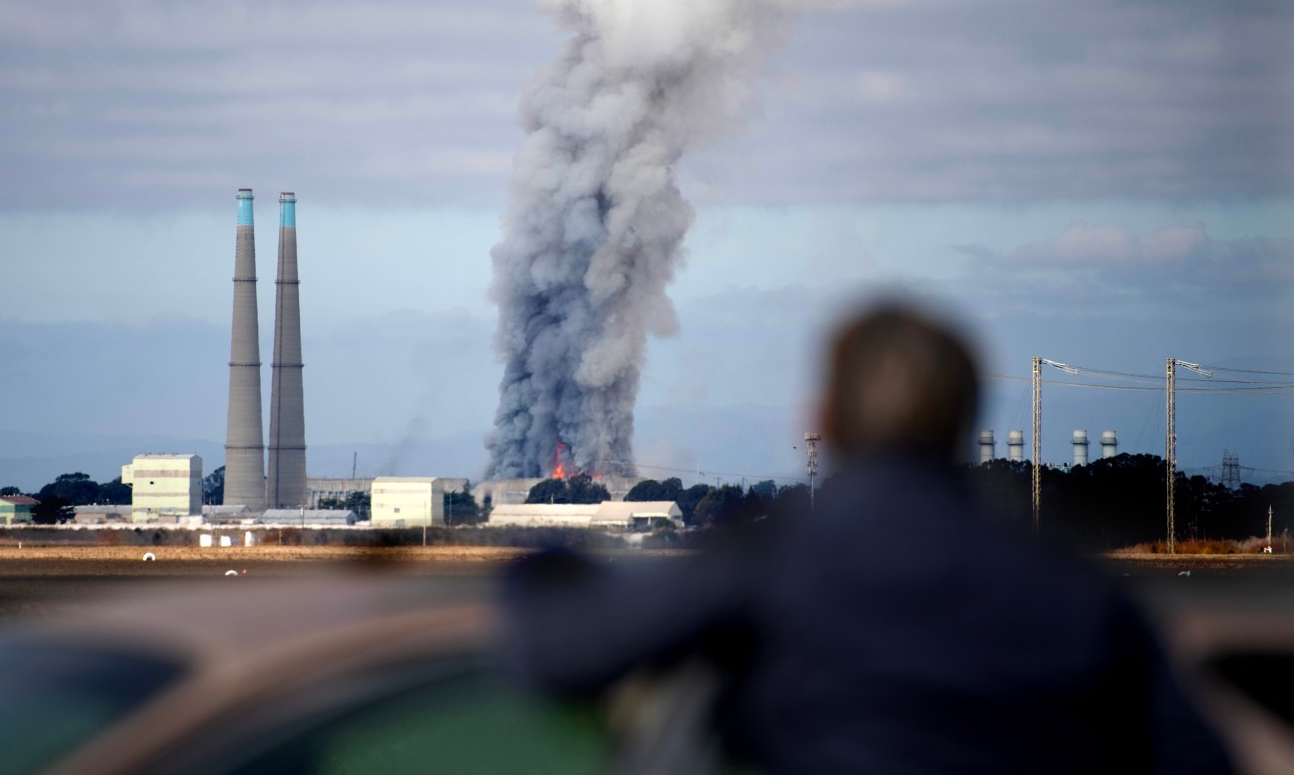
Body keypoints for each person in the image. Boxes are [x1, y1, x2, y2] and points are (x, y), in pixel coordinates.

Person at [501, 301, 1233, 773]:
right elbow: (1195, 754)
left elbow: (566, 651)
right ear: (964, 421)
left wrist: (543, 565)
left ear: (821, 417)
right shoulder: (1076, 590)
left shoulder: (777, 556)